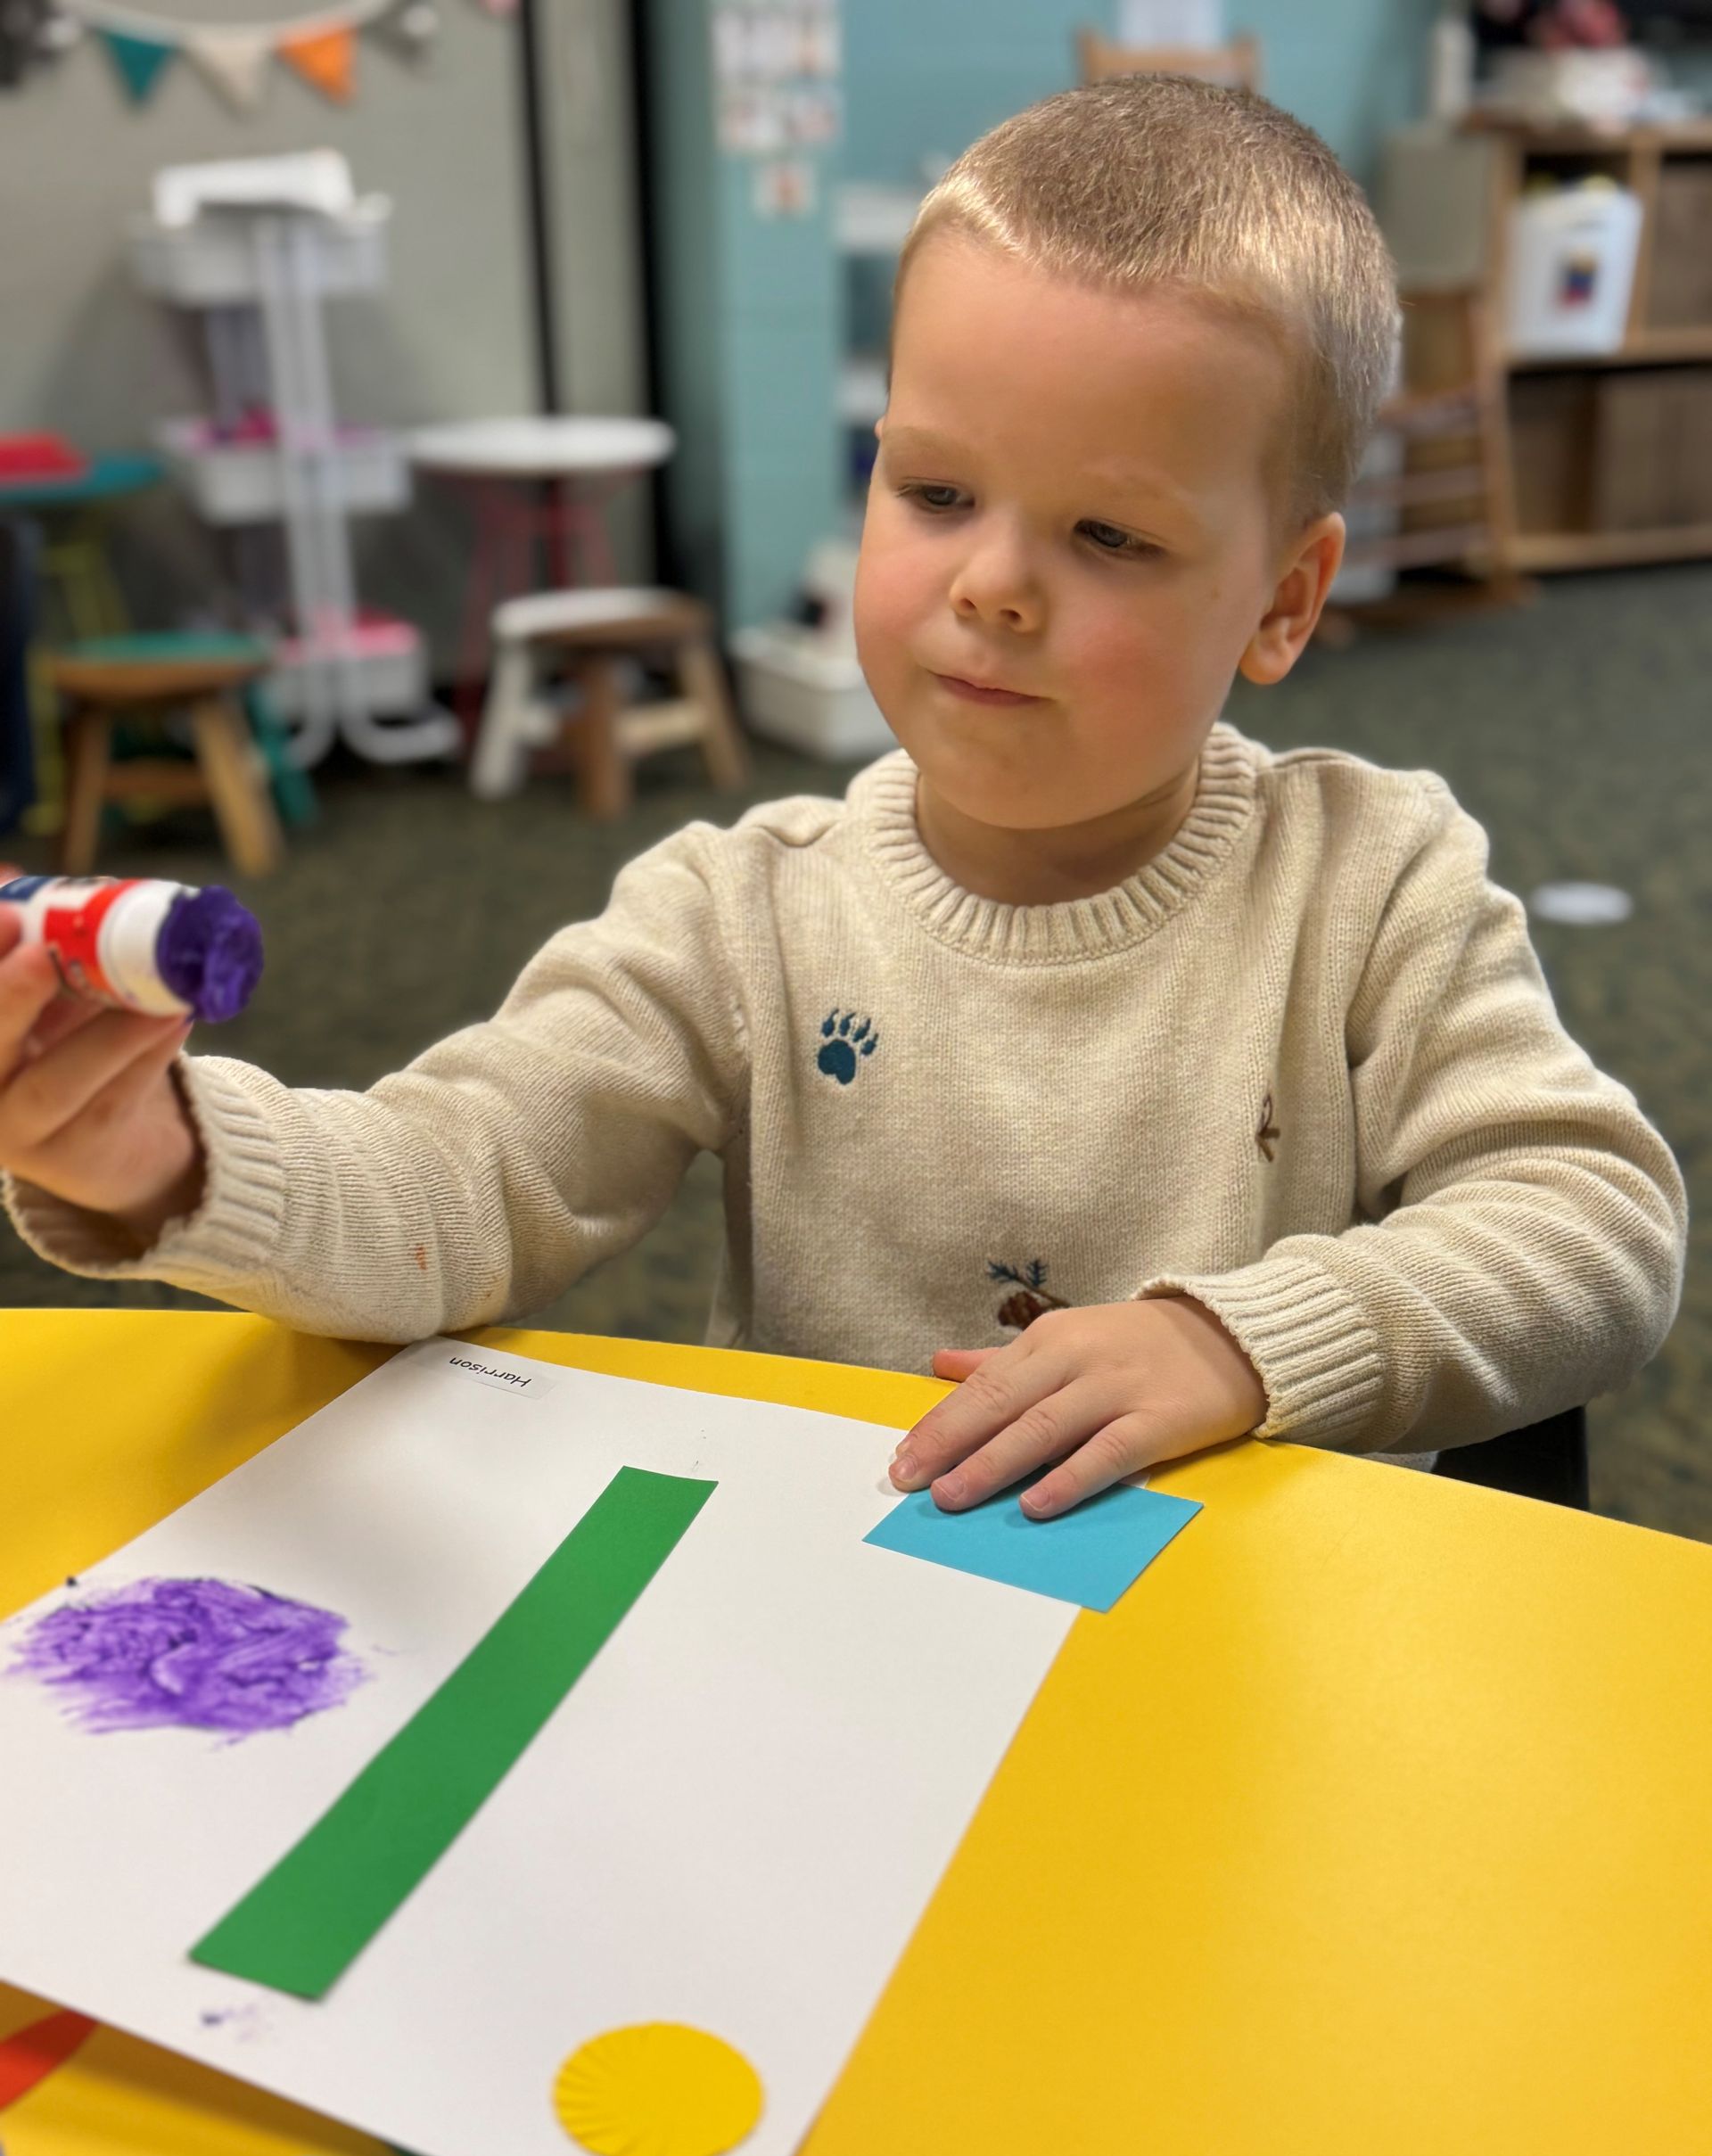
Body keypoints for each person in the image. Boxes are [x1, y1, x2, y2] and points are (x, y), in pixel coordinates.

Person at [0, 78, 1684, 1521]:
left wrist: (1245, 1340)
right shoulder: (739, 908)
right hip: (843, 1635)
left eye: (1110, 536)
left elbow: (1597, 1225)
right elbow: (464, 1186)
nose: (994, 588)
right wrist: (163, 1161)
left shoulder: (1372, 879)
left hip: (1239, 1633)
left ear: (1285, 603)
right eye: (935, 489)